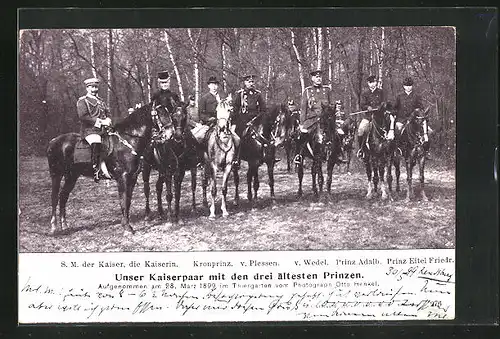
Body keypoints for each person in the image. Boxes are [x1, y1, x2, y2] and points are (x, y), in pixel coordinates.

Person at [294, 69, 344, 164]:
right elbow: (303, 108)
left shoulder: (327, 90)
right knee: (302, 135)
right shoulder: (307, 91)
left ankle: (338, 154)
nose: (318, 79)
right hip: (312, 120)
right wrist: (302, 123)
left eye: (320, 77)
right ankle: (299, 155)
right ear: (312, 78)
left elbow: (333, 104)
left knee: (338, 134)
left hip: (326, 119)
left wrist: (328, 110)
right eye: (316, 77)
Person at [77, 77, 112, 182]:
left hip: (103, 130)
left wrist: (109, 119)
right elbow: (83, 117)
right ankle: (96, 170)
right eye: (92, 87)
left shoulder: (101, 101)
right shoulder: (83, 101)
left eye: (96, 87)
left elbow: (107, 112)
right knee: (96, 142)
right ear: (87, 88)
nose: (94, 89)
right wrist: (101, 122)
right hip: (89, 130)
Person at [356, 75, 388, 159]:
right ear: (368, 83)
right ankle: (361, 149)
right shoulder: (365, 93)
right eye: (371, 83)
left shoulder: (381, 92)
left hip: (380, 117)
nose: (373, 84)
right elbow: (362, 104)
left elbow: (385, 102)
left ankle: (391, 150)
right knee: (361, 129)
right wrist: (367, 107)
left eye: (374, 82)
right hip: (368, 117)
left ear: (376, 82)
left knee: (391, 127)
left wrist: (382, 105)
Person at [393, 77, 431, 145]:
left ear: (412, 86)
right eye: (406, 86)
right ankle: (397, 148)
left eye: (410, 86)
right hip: (402, 119)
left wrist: (417, 114)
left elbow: (420, 107)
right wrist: (395, 114)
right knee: (397, 129)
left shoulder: (416, 96)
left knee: (428, 131)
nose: (408, 87)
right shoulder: (399, 96)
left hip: (414, 119)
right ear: (403, 86)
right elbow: (395, 107)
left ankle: (424, 146)